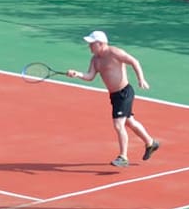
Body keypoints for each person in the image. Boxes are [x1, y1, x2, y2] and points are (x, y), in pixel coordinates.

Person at [66, 30, 161, 168]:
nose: (89, 46)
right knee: (129, 122)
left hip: (124, 93)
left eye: (92, 44)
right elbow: (90, 76)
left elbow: (134, 61)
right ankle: (151, 143)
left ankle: (123, 157)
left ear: (100, 43)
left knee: (118, 124)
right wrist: (77, 74)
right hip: (114, 96)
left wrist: (141, 79)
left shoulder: (115, 52)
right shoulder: (95, 60)